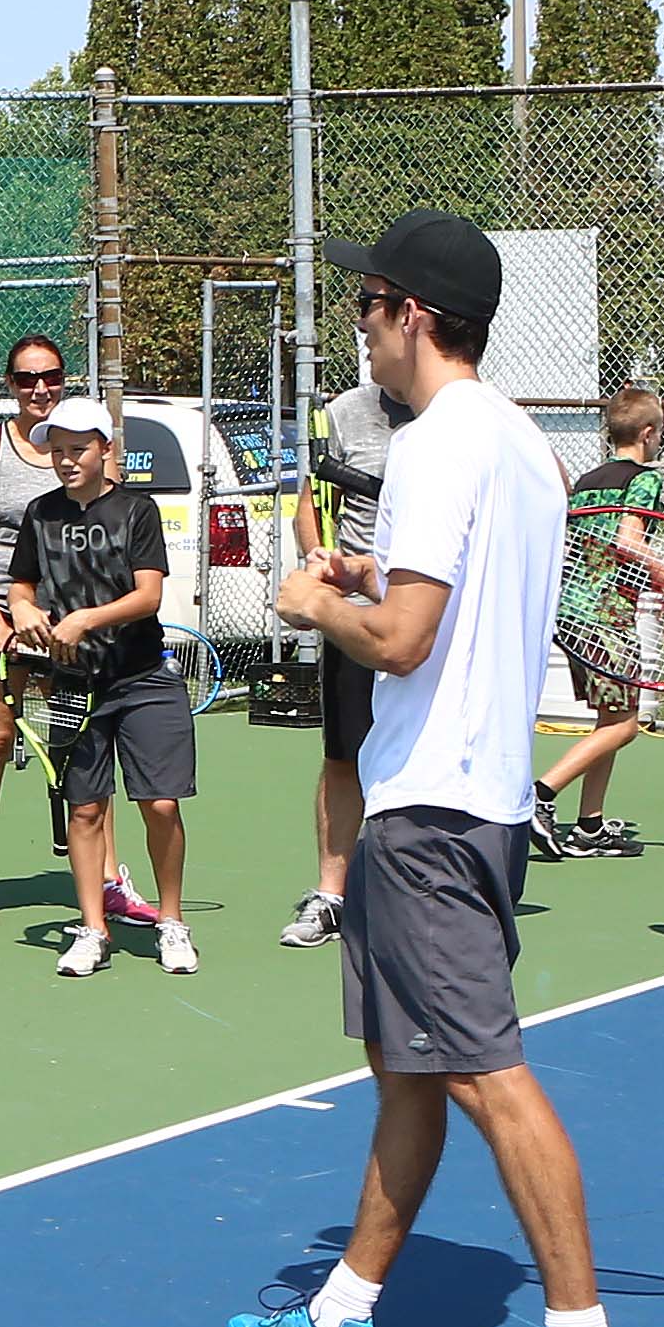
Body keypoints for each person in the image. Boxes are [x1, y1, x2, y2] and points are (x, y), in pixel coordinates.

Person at [225, 212, 632, 1327]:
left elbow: (401, 643)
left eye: (367, 301)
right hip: (476, 798)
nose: (355, 321)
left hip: (430, 812)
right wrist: (368, 581)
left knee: (479, 1073)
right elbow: (449, 602)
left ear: (410, 313)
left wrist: (310, 600)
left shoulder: (434, 443)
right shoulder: (515, 442)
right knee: (404, 1067)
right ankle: (343, 1309)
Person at [0, 398, 197, 979]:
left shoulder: (137, 510)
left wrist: (84, 620)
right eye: (57, 451)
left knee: (159, 802)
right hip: (75, 686)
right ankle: (92, 929)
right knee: (84, 809)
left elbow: (147, 596)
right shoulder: (40, 513)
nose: (66, 460)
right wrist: (23, 610)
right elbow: (23, 584)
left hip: (144, 677)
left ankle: (172, 922)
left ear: (106, 449)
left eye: (78, 449)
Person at [280, 369, 400, 950]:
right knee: (343, 755)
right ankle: (333, 895)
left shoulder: (462, 416)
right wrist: (316, 555)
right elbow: (312, 502)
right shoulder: (347, 412)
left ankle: (405, 892)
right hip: (353, 615)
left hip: (429, 614)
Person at [529, 386, 664, 861]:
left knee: (609, 718)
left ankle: (590, 824)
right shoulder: (645, 480)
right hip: (607, 615)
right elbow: (630, 540)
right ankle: (542, 794)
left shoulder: (588, 480)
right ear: (648, 434)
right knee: (626, 725)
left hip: (572, 611)